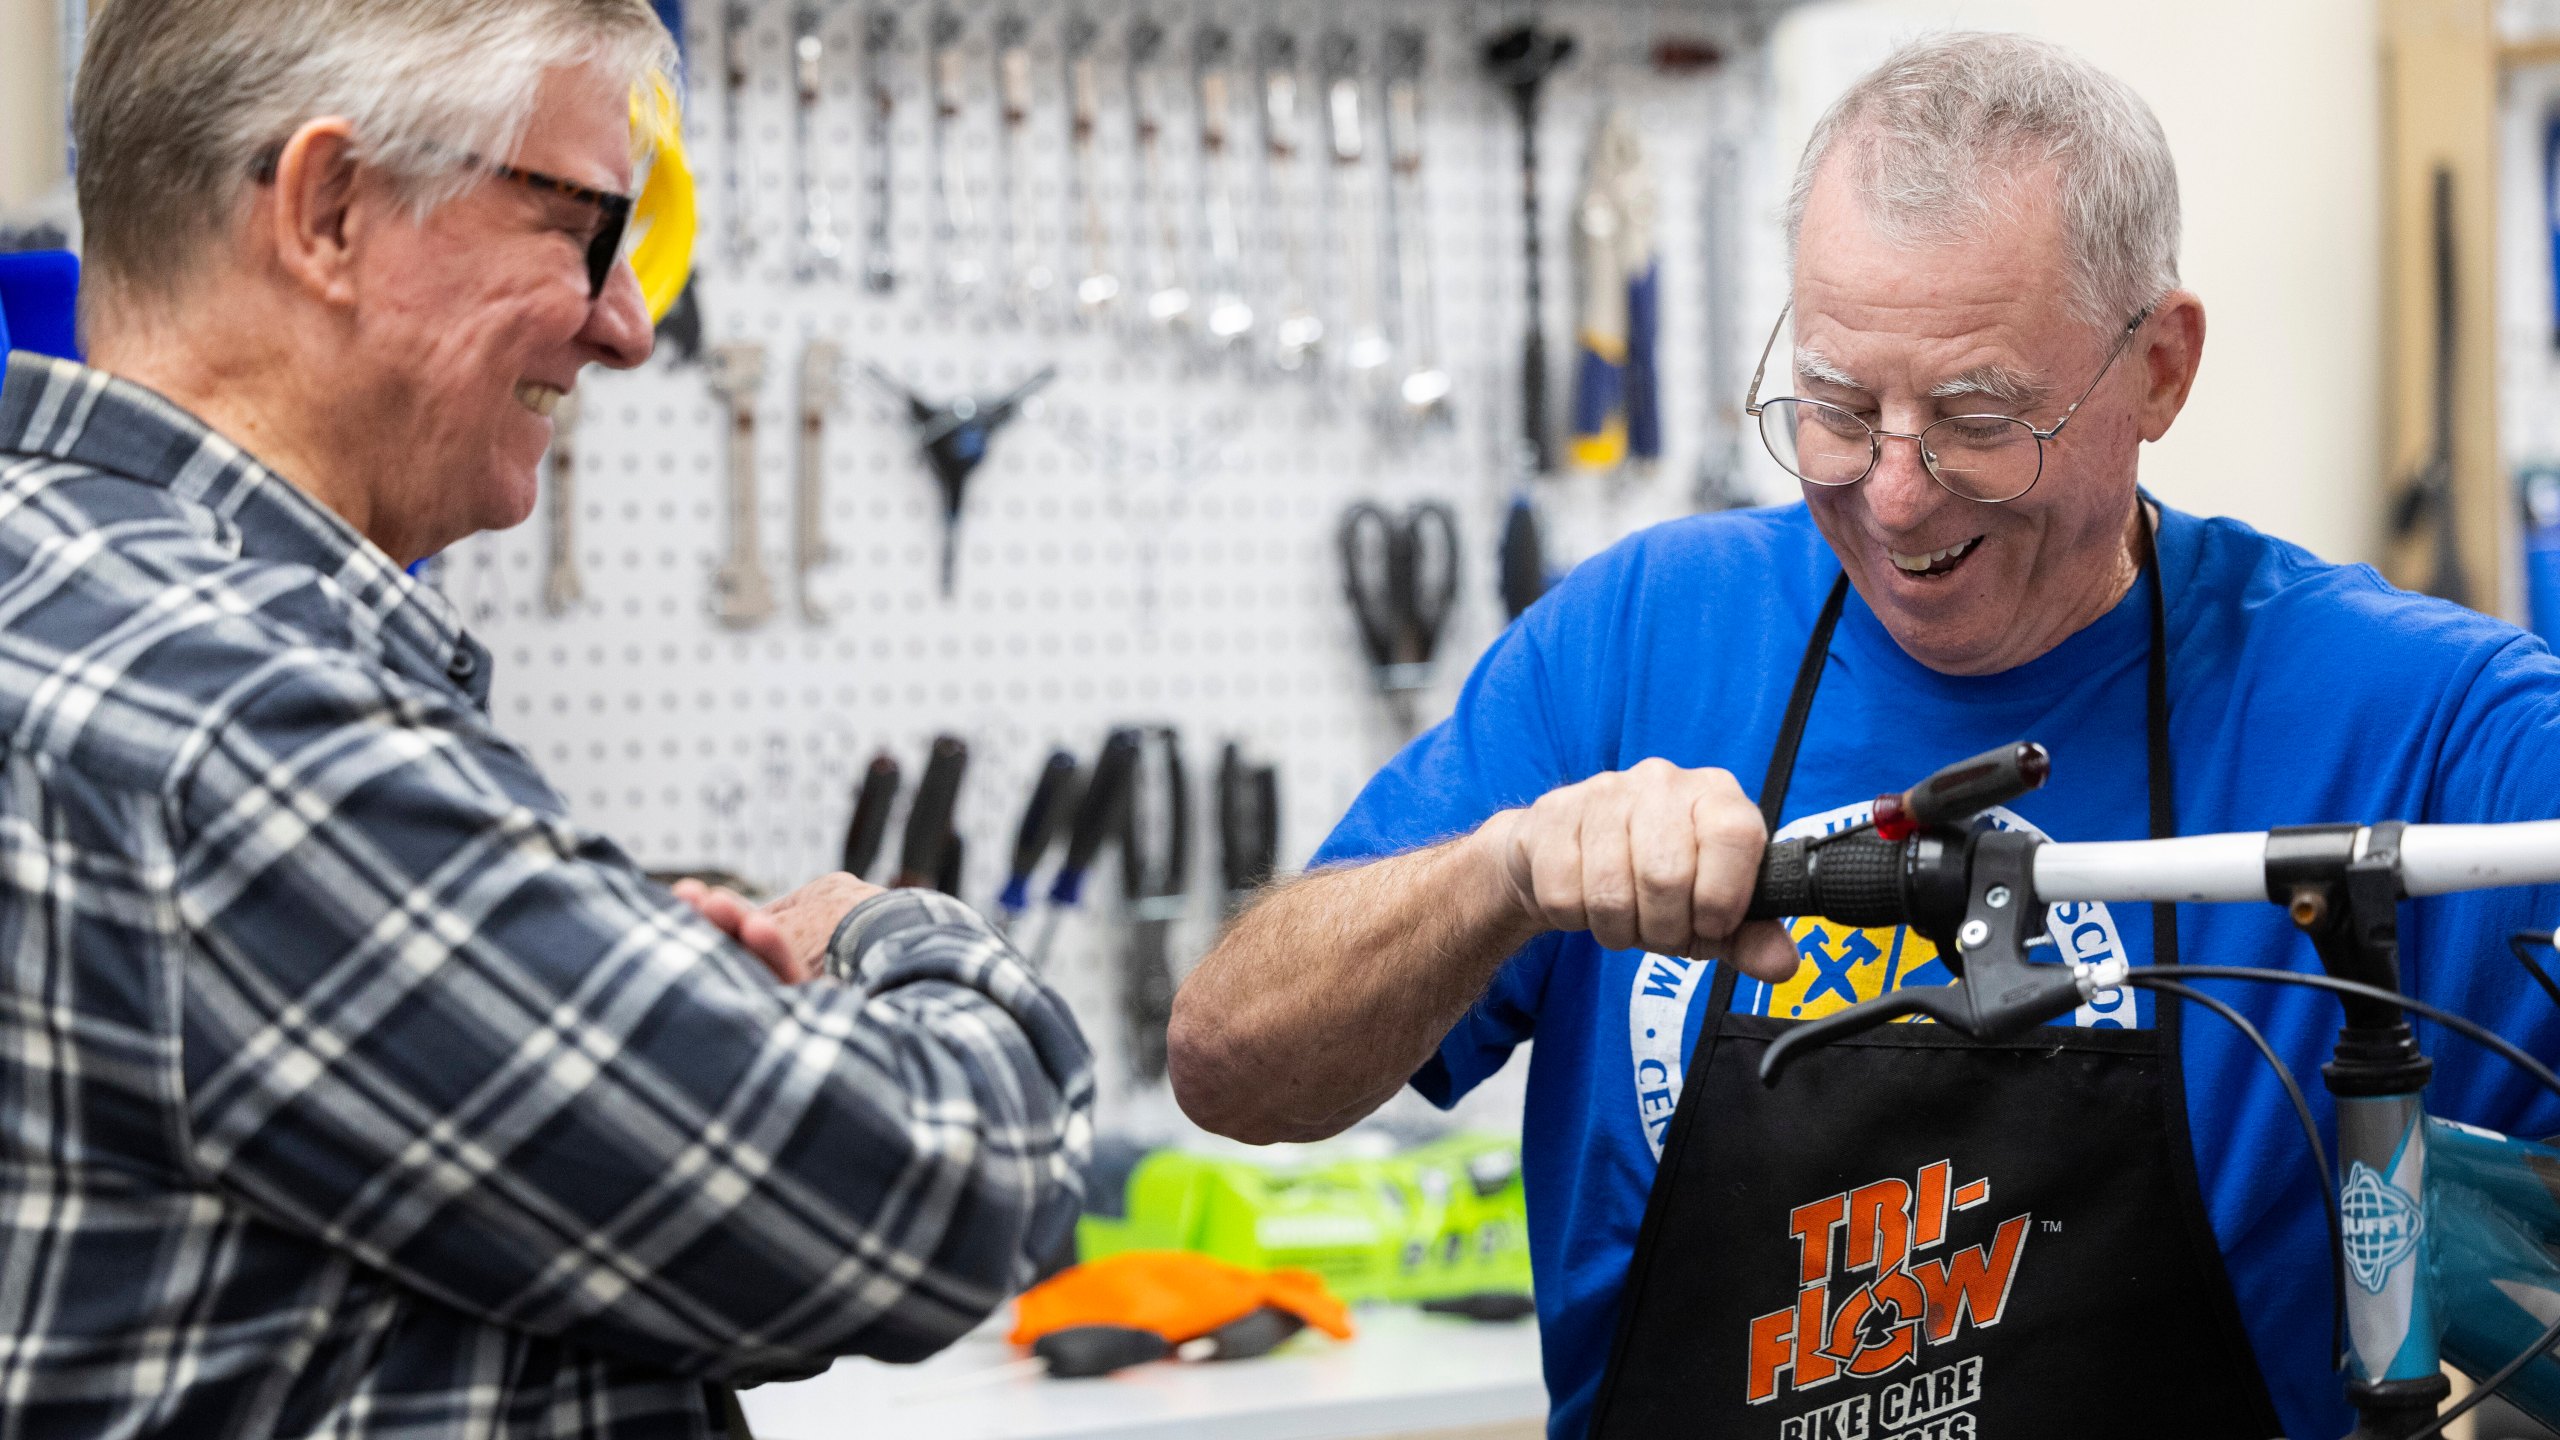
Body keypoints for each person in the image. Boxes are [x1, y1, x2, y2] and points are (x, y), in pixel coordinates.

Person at [1173, 31, 2560, 1440]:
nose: (1895, 497)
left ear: (2158, 368)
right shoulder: (1637, 642)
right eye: (1837, 406)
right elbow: (1229, 1064)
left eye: (1976, 414)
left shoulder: (2410, 722)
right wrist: (1503, 873)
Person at [0, 1, 1091, 1435]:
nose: (630, 328)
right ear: (329, 209)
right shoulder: (242, 734)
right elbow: (934, 1197)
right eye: (583, 229)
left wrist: (631, 1000)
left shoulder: (58, 593)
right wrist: (881, 943)